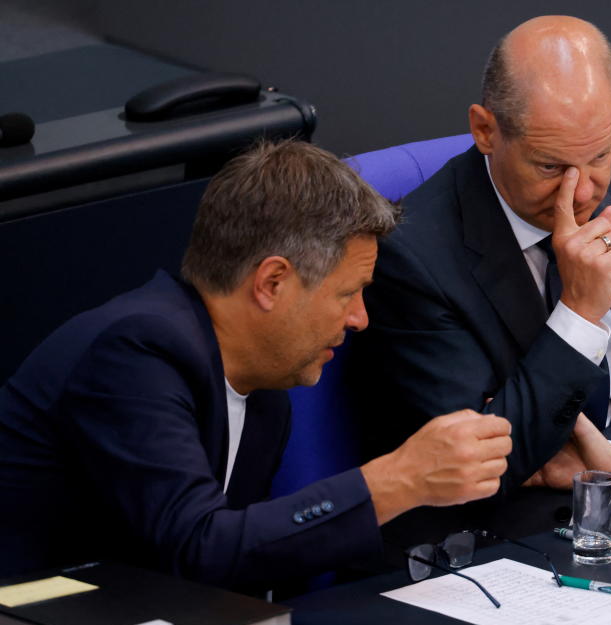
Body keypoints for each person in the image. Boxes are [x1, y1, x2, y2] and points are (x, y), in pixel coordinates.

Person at [0, 140, 512, 591]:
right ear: (271, 282)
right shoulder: (135, 352)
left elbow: (250, 559)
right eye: (349, 293)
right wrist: (398, 479)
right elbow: (198, 549)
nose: (360, 318)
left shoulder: (264, 384)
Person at [349, 16, 611, 527]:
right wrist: (578, 313)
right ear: (485, 130)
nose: (582, 191)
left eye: (601, 155)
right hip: (493, 536)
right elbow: (479, 469)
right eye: (550, 167)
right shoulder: (411, 257)